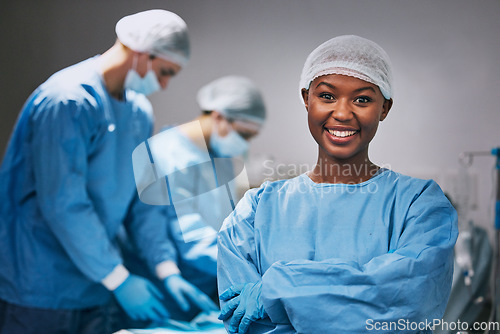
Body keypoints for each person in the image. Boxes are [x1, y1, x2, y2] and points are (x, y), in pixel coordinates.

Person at [217, 35, 458, 333]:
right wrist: (355, 301)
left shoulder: (420, 205)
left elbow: (410, 301)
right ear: (306, 99)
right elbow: (240, 316)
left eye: (363, 99)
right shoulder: (254, 212)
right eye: (327, 96)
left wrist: (279, 289)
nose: (342, 113)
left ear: (385, 108)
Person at [0, 9, 215, 334]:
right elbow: (63, 203)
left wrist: (166, 268)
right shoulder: (68, 101)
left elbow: (141, 201)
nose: (165, 85)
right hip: (41, 284)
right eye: (165, 72)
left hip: (96, 286)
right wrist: (119, 278)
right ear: (142, 54)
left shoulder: (138, 112)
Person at [122, 75, 267, 321]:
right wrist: (247, 267)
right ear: (219, 116)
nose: (244, 144)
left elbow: (226, 221)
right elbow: (188, 236)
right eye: (243, 134)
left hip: (208, 281)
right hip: (173, 287)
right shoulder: (166, 153)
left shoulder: (218, 158)